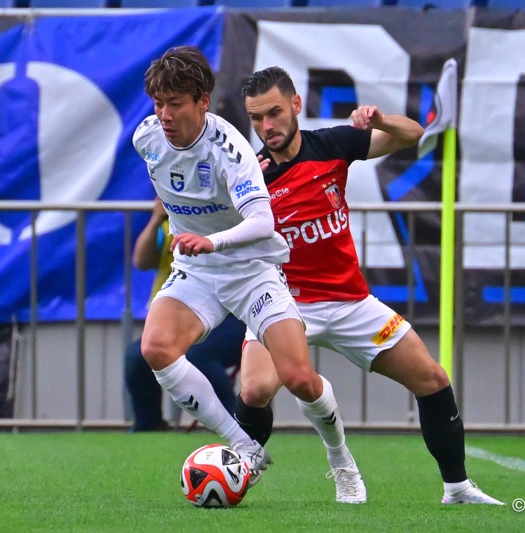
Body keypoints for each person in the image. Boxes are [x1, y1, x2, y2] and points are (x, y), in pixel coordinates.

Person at [236, 66, 503, 505]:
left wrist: (379, 122)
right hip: (280, 304)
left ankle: (457, 487)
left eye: (275, 113)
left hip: (349, 302)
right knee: (255, 389)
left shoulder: (334, 144)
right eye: (257, 118)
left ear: (296, 106)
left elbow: (413, 133)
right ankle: (234, 479)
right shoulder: (251, 175)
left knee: (432, 378)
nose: (267, 126)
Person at [132, 46, 364, 502]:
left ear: (203, 101)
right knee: (155, 347)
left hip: (252, 269)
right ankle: (243, 446)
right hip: (198, 270)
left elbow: (262, 223)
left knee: (298, 378)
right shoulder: (146, 138)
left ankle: (343, 463)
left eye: (174, 103)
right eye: (158, 103)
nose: (164, 114)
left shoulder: (230, 149)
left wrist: (212, 240)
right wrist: (193, 242)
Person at [124, 197, 247, 431]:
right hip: (188, 313)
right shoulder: (172, 221)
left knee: (197, 355)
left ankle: (238, 426)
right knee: (138, 356)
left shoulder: (230, 216)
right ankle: (148, 426)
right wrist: (156, 219)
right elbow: (141, 261)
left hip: (234, 314)